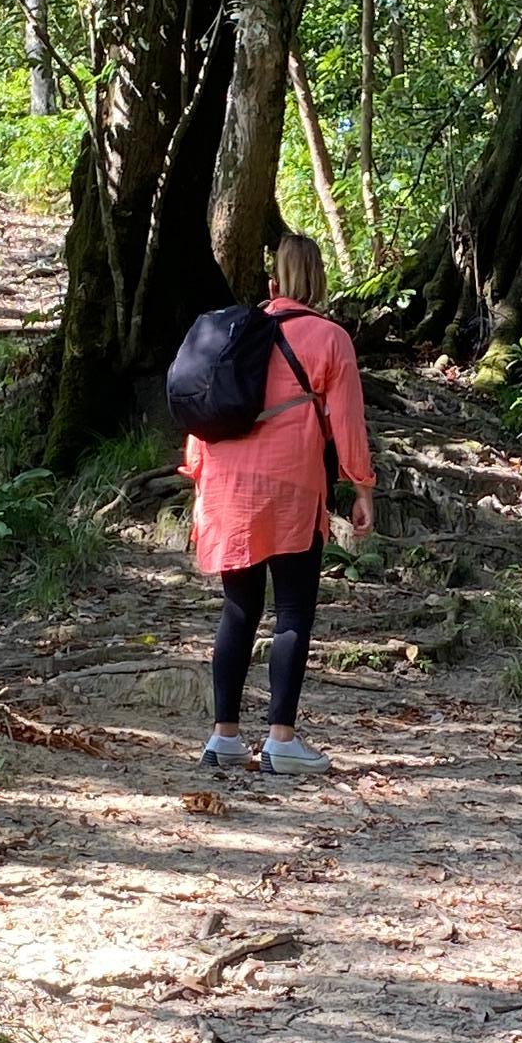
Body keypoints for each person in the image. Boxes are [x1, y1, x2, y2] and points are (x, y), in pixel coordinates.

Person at [182, 229, 377, 778]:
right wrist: (361, 488)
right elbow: (348, 426)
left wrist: (197, 476)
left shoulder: (234, 329)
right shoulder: (330, 338)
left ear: (273, 282)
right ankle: (281, 739)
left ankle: (223, 737)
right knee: (292, 609)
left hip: (226, 485)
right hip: (291, 487)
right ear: (318, 283)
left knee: (238, 608)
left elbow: (205, 408)